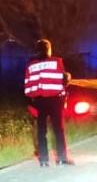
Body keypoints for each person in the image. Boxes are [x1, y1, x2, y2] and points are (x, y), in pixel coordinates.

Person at [24, 38, 74, 167]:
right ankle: (62, 159)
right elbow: (63, 81)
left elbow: (28, 85)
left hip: (39, 101)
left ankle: (43, 160)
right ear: (49, 49)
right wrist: (68, 77)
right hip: (55, 100)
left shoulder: (31, 65)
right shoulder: (56, 62)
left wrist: (32, 101)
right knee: (58, 130)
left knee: (41, 131)